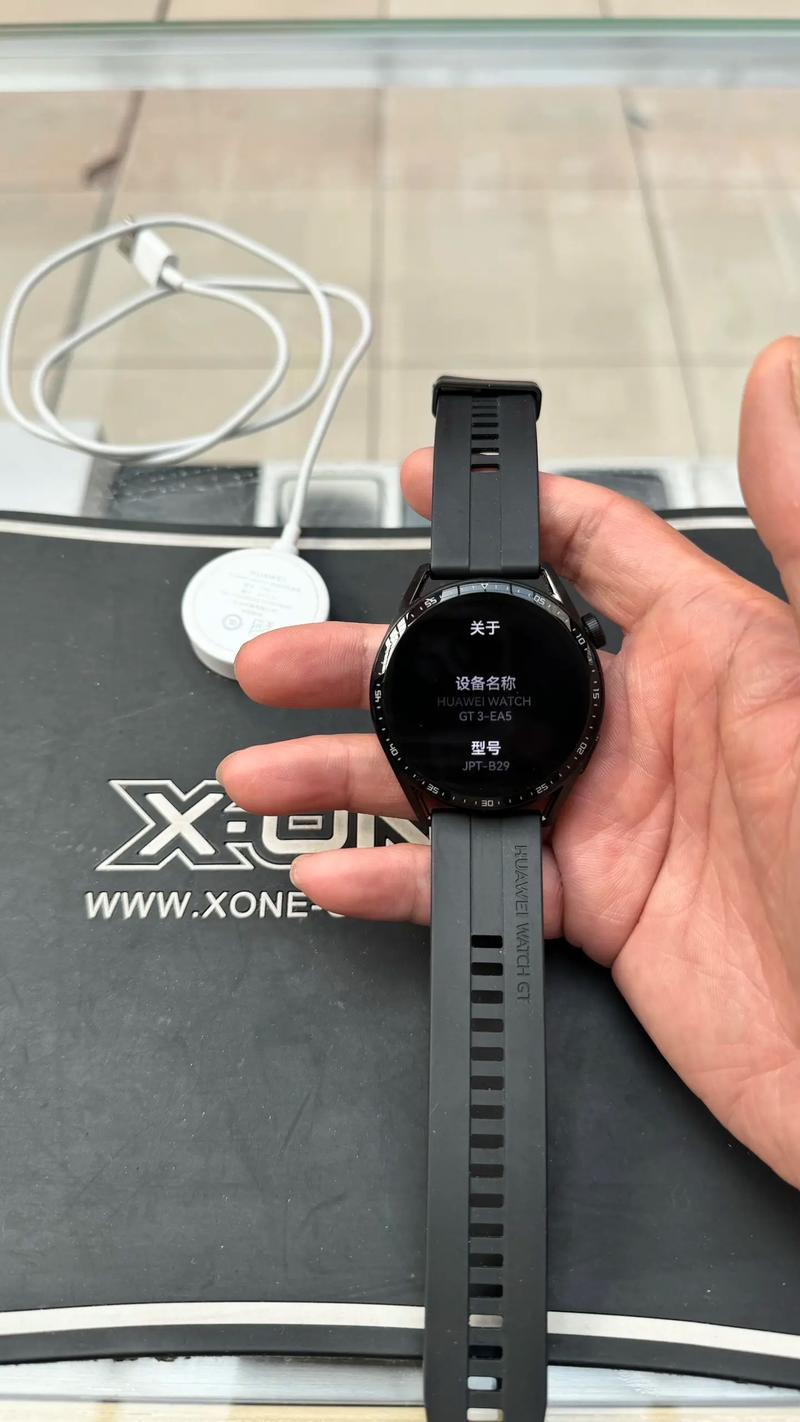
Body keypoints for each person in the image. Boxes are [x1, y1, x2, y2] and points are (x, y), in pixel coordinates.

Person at [218, 337, 800, 1192]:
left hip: (505, 786)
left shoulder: (514, 684)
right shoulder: (527, 662)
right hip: (494, 786)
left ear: (585, 664)